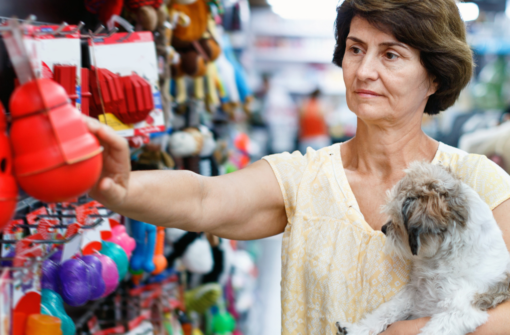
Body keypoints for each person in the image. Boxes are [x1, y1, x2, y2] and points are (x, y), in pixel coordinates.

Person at [86, 0, 510, 334]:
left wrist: (413, 332)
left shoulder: (478, 183)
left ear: (434, 76)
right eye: (355, 49)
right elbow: (203, 197)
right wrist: (121, 188)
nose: (364, 71)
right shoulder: (303, 179)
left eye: (391, 55)